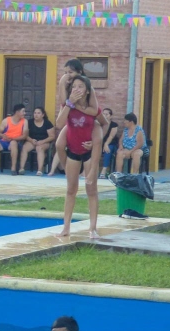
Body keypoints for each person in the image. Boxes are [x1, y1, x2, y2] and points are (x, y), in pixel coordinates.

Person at [56, 76, 101, 239]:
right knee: (70, 190)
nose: (76, 89)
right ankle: (66, 227)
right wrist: (69, 103)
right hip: (73, 151)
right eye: (74, 86)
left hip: (89, 152)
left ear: (88, 90)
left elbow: (101, 123)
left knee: (91, 190)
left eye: (80, 86)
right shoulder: (67, 105)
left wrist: (91, 172)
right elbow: (59, 124)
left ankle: (93, 228)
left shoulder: (93, 109)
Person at [50, 59, 104, 178]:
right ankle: (66, 169)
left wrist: (78, 106)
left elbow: (94, 110)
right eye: (65, 72)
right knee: (59, 144)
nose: (67, 75)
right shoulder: (68, 85)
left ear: (79, 72)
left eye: (70, 72)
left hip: (86, 116)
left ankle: (90, 172)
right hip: (72, 117)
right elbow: (63, 102)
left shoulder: (87, 86)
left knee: (97, 137)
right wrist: (61, 84)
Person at [0, 104, 27, 175]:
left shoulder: (24, 121)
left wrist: (13, 138)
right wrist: (3, 135)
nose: (24, 113)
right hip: (4, 141)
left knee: (13, 143)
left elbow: (24, 136)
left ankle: (13, 169)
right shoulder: (6, 120)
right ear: (17, 112)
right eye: (23, 111)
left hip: (15, 141)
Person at [20, 107, 56, 176]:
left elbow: (52, 136)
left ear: (43, 115)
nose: (36, 115)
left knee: (39, 148)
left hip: (44, 142)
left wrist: (42, 141)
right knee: (24, 148)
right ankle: (21, 168)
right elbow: (25, 135)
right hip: (32, 141)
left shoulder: (47, 123)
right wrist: (31, 140)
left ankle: (39, 170)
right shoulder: (29, 122)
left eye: (38, 113)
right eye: (35, 113)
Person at [99, 108, 120, 179]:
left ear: (110, 116)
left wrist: (106, 144)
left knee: (108, 149)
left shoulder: (114, 125)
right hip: (100, 143)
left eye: (106, 114)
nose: (105, 116)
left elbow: (111, 136)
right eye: (103, 114)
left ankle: (104, 171)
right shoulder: (99, 123)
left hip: (111, 143)